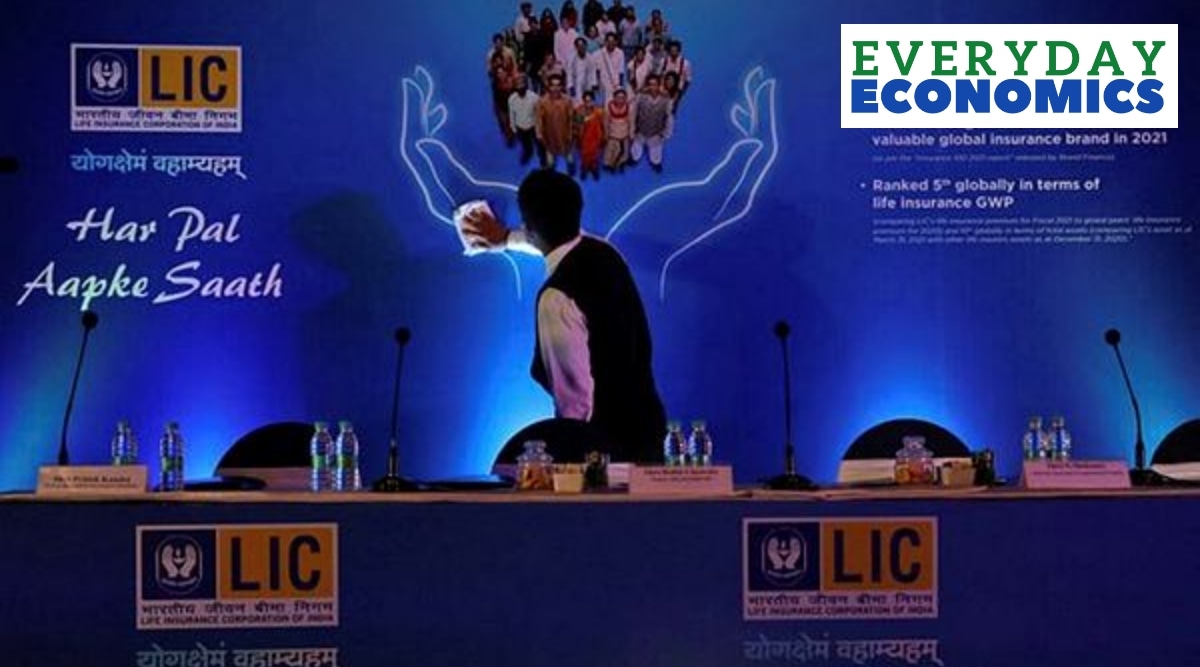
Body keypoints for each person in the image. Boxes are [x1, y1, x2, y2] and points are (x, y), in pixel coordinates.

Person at [461, 170, 667, 463]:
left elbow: (576, 404)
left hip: (602, 458)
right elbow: (563, 243)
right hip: (648, 438)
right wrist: (507, 239)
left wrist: (569, 463)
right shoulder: (608, 254)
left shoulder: (556, 299)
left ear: (529, 227)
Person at [630, 73, 672, 173]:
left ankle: (656, 163)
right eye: (650, 84)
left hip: (656, 133)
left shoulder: (666, 100)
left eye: (655, 84)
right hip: (641, 130)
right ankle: (634, 159)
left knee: (656, 153)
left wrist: (666, 133)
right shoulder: (640, 97)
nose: (652, 87)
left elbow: (669, 118)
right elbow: (633, 113)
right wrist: (632, 130)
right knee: (636, 149)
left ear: (659, 85)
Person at [535, 73, 575, 174]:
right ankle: (551, 174)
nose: (556, 88)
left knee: (570, 159)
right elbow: (539, 119)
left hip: (564, 135)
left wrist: (571, 133)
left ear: (562, 86)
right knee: (550, 162)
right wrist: (539, 133)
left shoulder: (567, 100)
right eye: (553, 85)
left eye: (558, 85)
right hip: (550, 137)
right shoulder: (542, 102)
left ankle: (571, 171)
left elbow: (571, 118)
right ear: (549, 86)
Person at [508, 75, 541, 165]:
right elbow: (512, 114)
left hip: (533, 126)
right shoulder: (512, 99)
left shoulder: (534, 97)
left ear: (526, 85)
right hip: (520, 127)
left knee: (539, 143)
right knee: (526, 145)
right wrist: (513, 127)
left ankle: (542, 157)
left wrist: (539, 128)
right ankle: (528, 153)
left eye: (522, 84)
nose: (520, 87)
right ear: (515, 87)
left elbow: (539, 114)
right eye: (517, 85)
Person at [574, 90, 605, 180]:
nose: (588, 103)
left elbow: (603, 125)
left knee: (595, 156)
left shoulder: (599, 111)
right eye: (586, 101)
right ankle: (584, 169)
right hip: (584, 139)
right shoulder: (579, 111)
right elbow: (577, 125)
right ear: (583, 101)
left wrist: (603, 137)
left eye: (590, 101)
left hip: (595, 138)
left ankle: (594, 169)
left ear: (593, 100)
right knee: (584, 156)